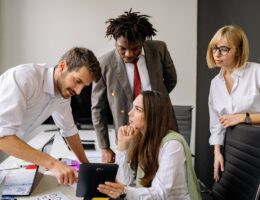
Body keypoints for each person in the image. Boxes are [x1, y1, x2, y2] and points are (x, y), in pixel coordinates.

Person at [0, 47, 101, 185]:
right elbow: (3, 137)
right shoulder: (25, 77)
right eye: (78, 81)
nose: (78, 91)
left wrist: (86, 166)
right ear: (62, 66)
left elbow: (69, 130)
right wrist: (53, 164)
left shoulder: (63, 94)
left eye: (84, 86)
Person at [91, 9, 178, 163]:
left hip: (162, 126)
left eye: (135, 48)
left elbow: (171, 80)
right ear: (115, 41)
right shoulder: (104, 64)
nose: (129, 54)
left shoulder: (159, 49)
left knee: (167, 170)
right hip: (128, 131)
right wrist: (104, 146)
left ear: (143, 41)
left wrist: (153, 104)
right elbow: (98, 108)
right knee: (131, 178)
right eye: (122, 48)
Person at [97, 91, 201, 200]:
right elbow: (124, 182)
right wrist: (122, 146)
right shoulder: (142, 139)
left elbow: (159, 193)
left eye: (138, 109)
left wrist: (124, 191)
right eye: (133, 107)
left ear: (153, 116)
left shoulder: (172, 145)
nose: (130, 113)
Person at [206, 25, 260, 182]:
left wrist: (244, 117)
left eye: (223, 49)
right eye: (214, 48)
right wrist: (217, 153)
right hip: (234, 152)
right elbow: (216, 124)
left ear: (238, 50)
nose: (217, 54)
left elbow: (238, 118)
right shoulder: (215, 83)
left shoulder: (256, 72)